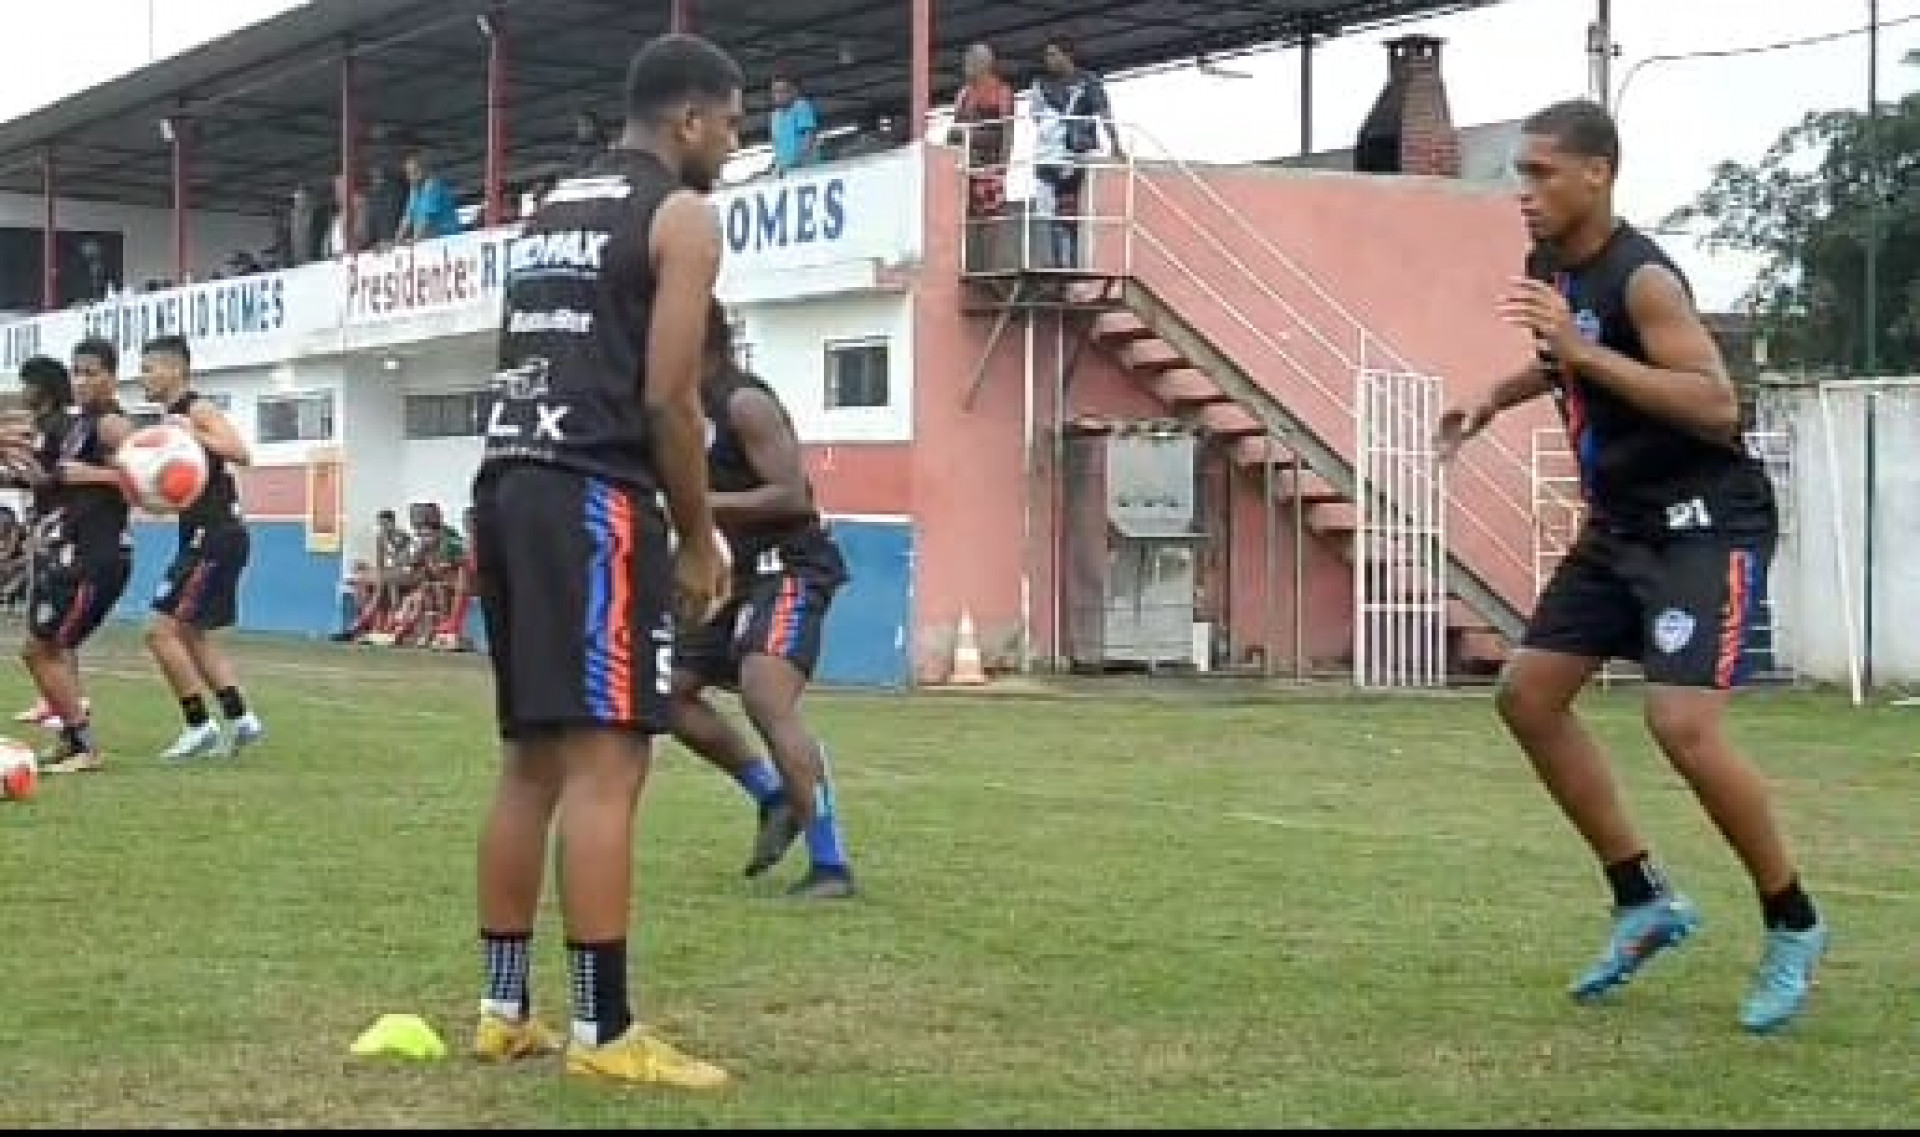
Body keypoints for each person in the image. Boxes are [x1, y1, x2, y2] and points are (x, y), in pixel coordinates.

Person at [1436, 99, 1826, 1035]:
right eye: (1519, 173)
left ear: (1597, 174)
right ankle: (1643, 897)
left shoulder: (1643, 277)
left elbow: (1713, 403)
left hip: (1703, 525)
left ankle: (1794, 919)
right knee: (1528, 697)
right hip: (1620, 527)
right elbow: (1572, 361)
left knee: (1681, 723)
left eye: (1540, 173)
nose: (1521, 190)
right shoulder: (1549, 266)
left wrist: (1577, 351)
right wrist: (1500, 391)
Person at [469, 32, 740, 1089]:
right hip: (592, 492)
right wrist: (698, 531)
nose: (734, 138)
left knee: (531, 759)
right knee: (609, 763)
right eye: (730, 120)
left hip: (507, 483)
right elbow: (669, 395)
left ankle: (503, 1010)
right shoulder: (682, 215)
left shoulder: (549, 212)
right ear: (687, 119)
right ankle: (606, 1033)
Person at [671, 305, 855, 899]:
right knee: (661, 691)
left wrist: (697, 502)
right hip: (738, 571)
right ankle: (771, 795)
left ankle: (831, 866)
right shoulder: (676, 408)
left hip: (791, 566)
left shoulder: (743, 403)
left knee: (763, 692)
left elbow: (791, 496)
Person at [2, 346, 133, 773]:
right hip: (70, 549)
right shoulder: (79, 427)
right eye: (76, 372)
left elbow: (146, 476)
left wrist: (96, 474)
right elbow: (48, 480)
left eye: (90, 373)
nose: (81, 380)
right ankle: (70, 737)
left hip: (95, 553)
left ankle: (84, 745)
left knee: (44, 648)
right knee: (48, 648)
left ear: (112, 377)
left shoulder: (112, 424)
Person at [140, 335, 266, 762]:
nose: (144, 377)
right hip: (201, 532)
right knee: (192, 632)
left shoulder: (197, 409)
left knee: (159, 630)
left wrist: (193, 431)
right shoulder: (167, 419)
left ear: (176, 369)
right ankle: (241, 719)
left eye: (150, 368)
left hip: (214, 534)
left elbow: (240, 452)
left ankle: (198, 725)